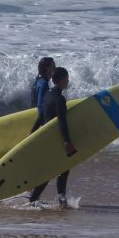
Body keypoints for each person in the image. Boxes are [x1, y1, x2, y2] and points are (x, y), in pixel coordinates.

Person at [29, 67, 76, 208]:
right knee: (54, 170)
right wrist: (67, 140)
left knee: (61, 168)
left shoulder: (47, 95)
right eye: (67, 78)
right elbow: (62, 121)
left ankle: (60, 199)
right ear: (61, 80)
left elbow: (41, 116)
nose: (68, 81)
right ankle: (35, 199)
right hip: (55, 138)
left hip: (46, 137)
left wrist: (32, 132)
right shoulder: (60, 99)